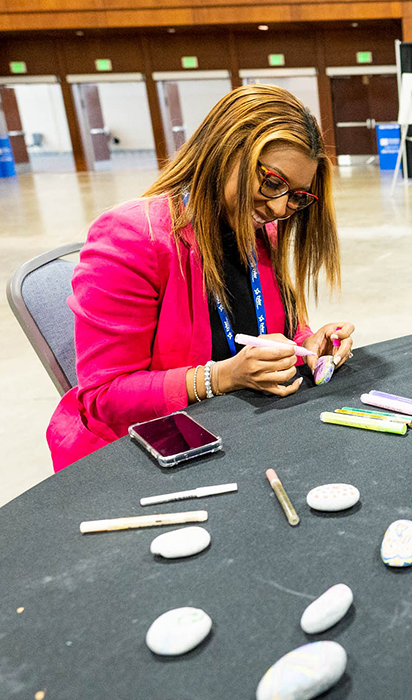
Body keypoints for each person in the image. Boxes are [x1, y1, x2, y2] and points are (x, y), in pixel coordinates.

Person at [47, 84, 354, 471]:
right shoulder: (132, 238)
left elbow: (268, 326)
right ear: (224, 151)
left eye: (296, 196)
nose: (279, 208)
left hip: (232, 431)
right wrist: (221, 377)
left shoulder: (261, 232)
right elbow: (104, 396)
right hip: (143, 453)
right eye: (273, 183)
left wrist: (306, 344)